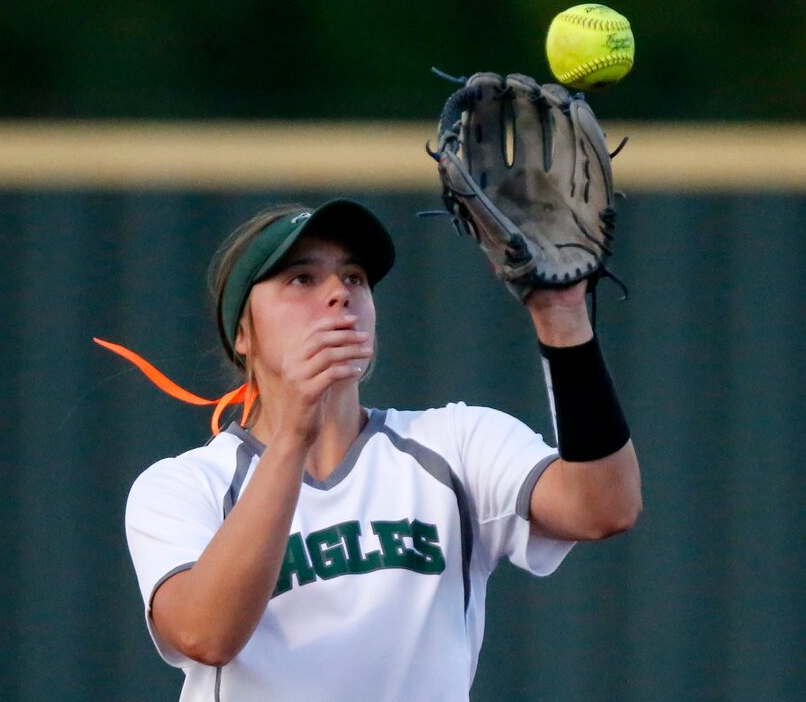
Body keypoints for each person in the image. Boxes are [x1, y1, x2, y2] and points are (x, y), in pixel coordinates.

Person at [120, 198, 641, 701]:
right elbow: (204, 636)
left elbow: (604, 507)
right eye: (302, 278)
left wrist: (563, 317)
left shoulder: (454, 445)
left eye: (354, 278)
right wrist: (295, 435)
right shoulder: (185, 486)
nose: (338, 294)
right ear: (243, 334)